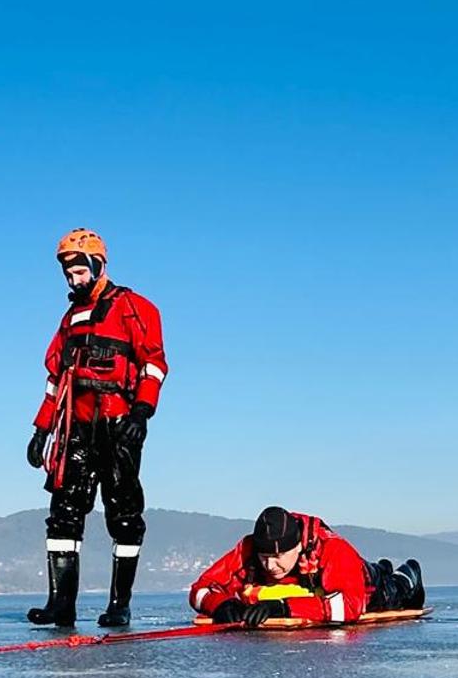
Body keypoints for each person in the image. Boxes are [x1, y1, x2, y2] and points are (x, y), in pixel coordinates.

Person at [25, 228, 168, 628]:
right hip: (76, 428)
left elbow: (153, 365)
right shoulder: (69, 320)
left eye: (79, 271)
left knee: (123, 514)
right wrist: (41, 429)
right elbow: (56, 380)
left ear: (98, 266)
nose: (73, 279)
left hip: (119, 425)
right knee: (63, 514)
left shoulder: (136, 308)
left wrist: (141, 413)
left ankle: (119, 605)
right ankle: (61, 604)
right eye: (67, 274)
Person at [189, 506, 425, 627]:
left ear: (298, 547)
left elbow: (349, 607)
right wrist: (220, 604)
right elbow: (200, 589)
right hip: (304, 591)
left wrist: (283, 608)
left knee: (394, 588)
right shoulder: (248, 549)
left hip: (368, 586)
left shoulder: (333, 548)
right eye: (264, 557)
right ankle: (384, 566)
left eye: (279, 556)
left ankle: (407, 573)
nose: (270, 565)